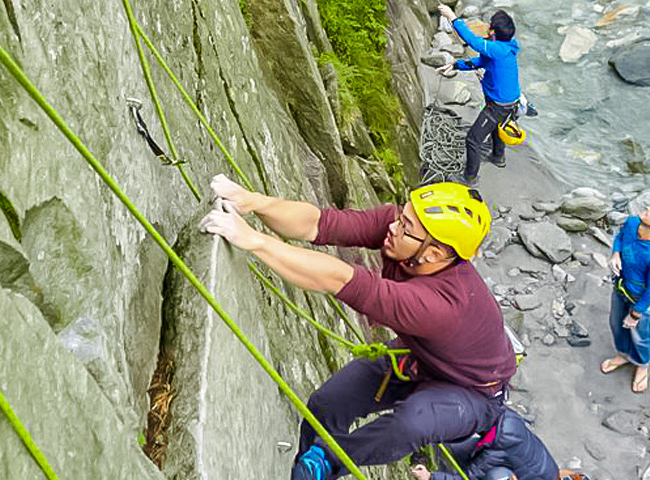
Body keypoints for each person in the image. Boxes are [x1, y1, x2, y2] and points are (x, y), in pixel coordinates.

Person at [198, 175, 517, 480]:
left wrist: (254, 241)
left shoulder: (442, 306)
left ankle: (326, 463)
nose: (392, 225)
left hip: (473, 393)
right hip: (421, 359)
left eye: (404, 226)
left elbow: (340, 280)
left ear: (434, 253)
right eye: (401, 216)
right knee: (327, 404)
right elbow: (319, 224)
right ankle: (308, 469)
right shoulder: (407, 238)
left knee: (412, 422)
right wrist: (254, 202)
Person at [436, 5, 528, 185]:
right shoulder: (506, 47)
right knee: (496, 127)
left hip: (498, 106)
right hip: (509, 103)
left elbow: (472, 41)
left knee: (473, 139)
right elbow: (481, 61)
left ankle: (469, 178)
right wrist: (456, 65)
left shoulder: (496, 49)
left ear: (493, 31)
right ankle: (498, 157)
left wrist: (452, 17)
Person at [597, 202, 650, 393]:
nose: (646, 209)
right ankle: (623, 354)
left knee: (640, 335)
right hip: (621, 287)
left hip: (641, 298)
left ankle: (642, 364)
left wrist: (636, 313)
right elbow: (620, 237)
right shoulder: (633, 223)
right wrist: (616, 253)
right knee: (616, 323)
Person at [404, 410, 576, 480]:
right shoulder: (507, 422)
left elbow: (470, 477)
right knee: (448, 447)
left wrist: (431, 477)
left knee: (492, 475)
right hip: (496, 453)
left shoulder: (500, 442)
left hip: (498, 466)